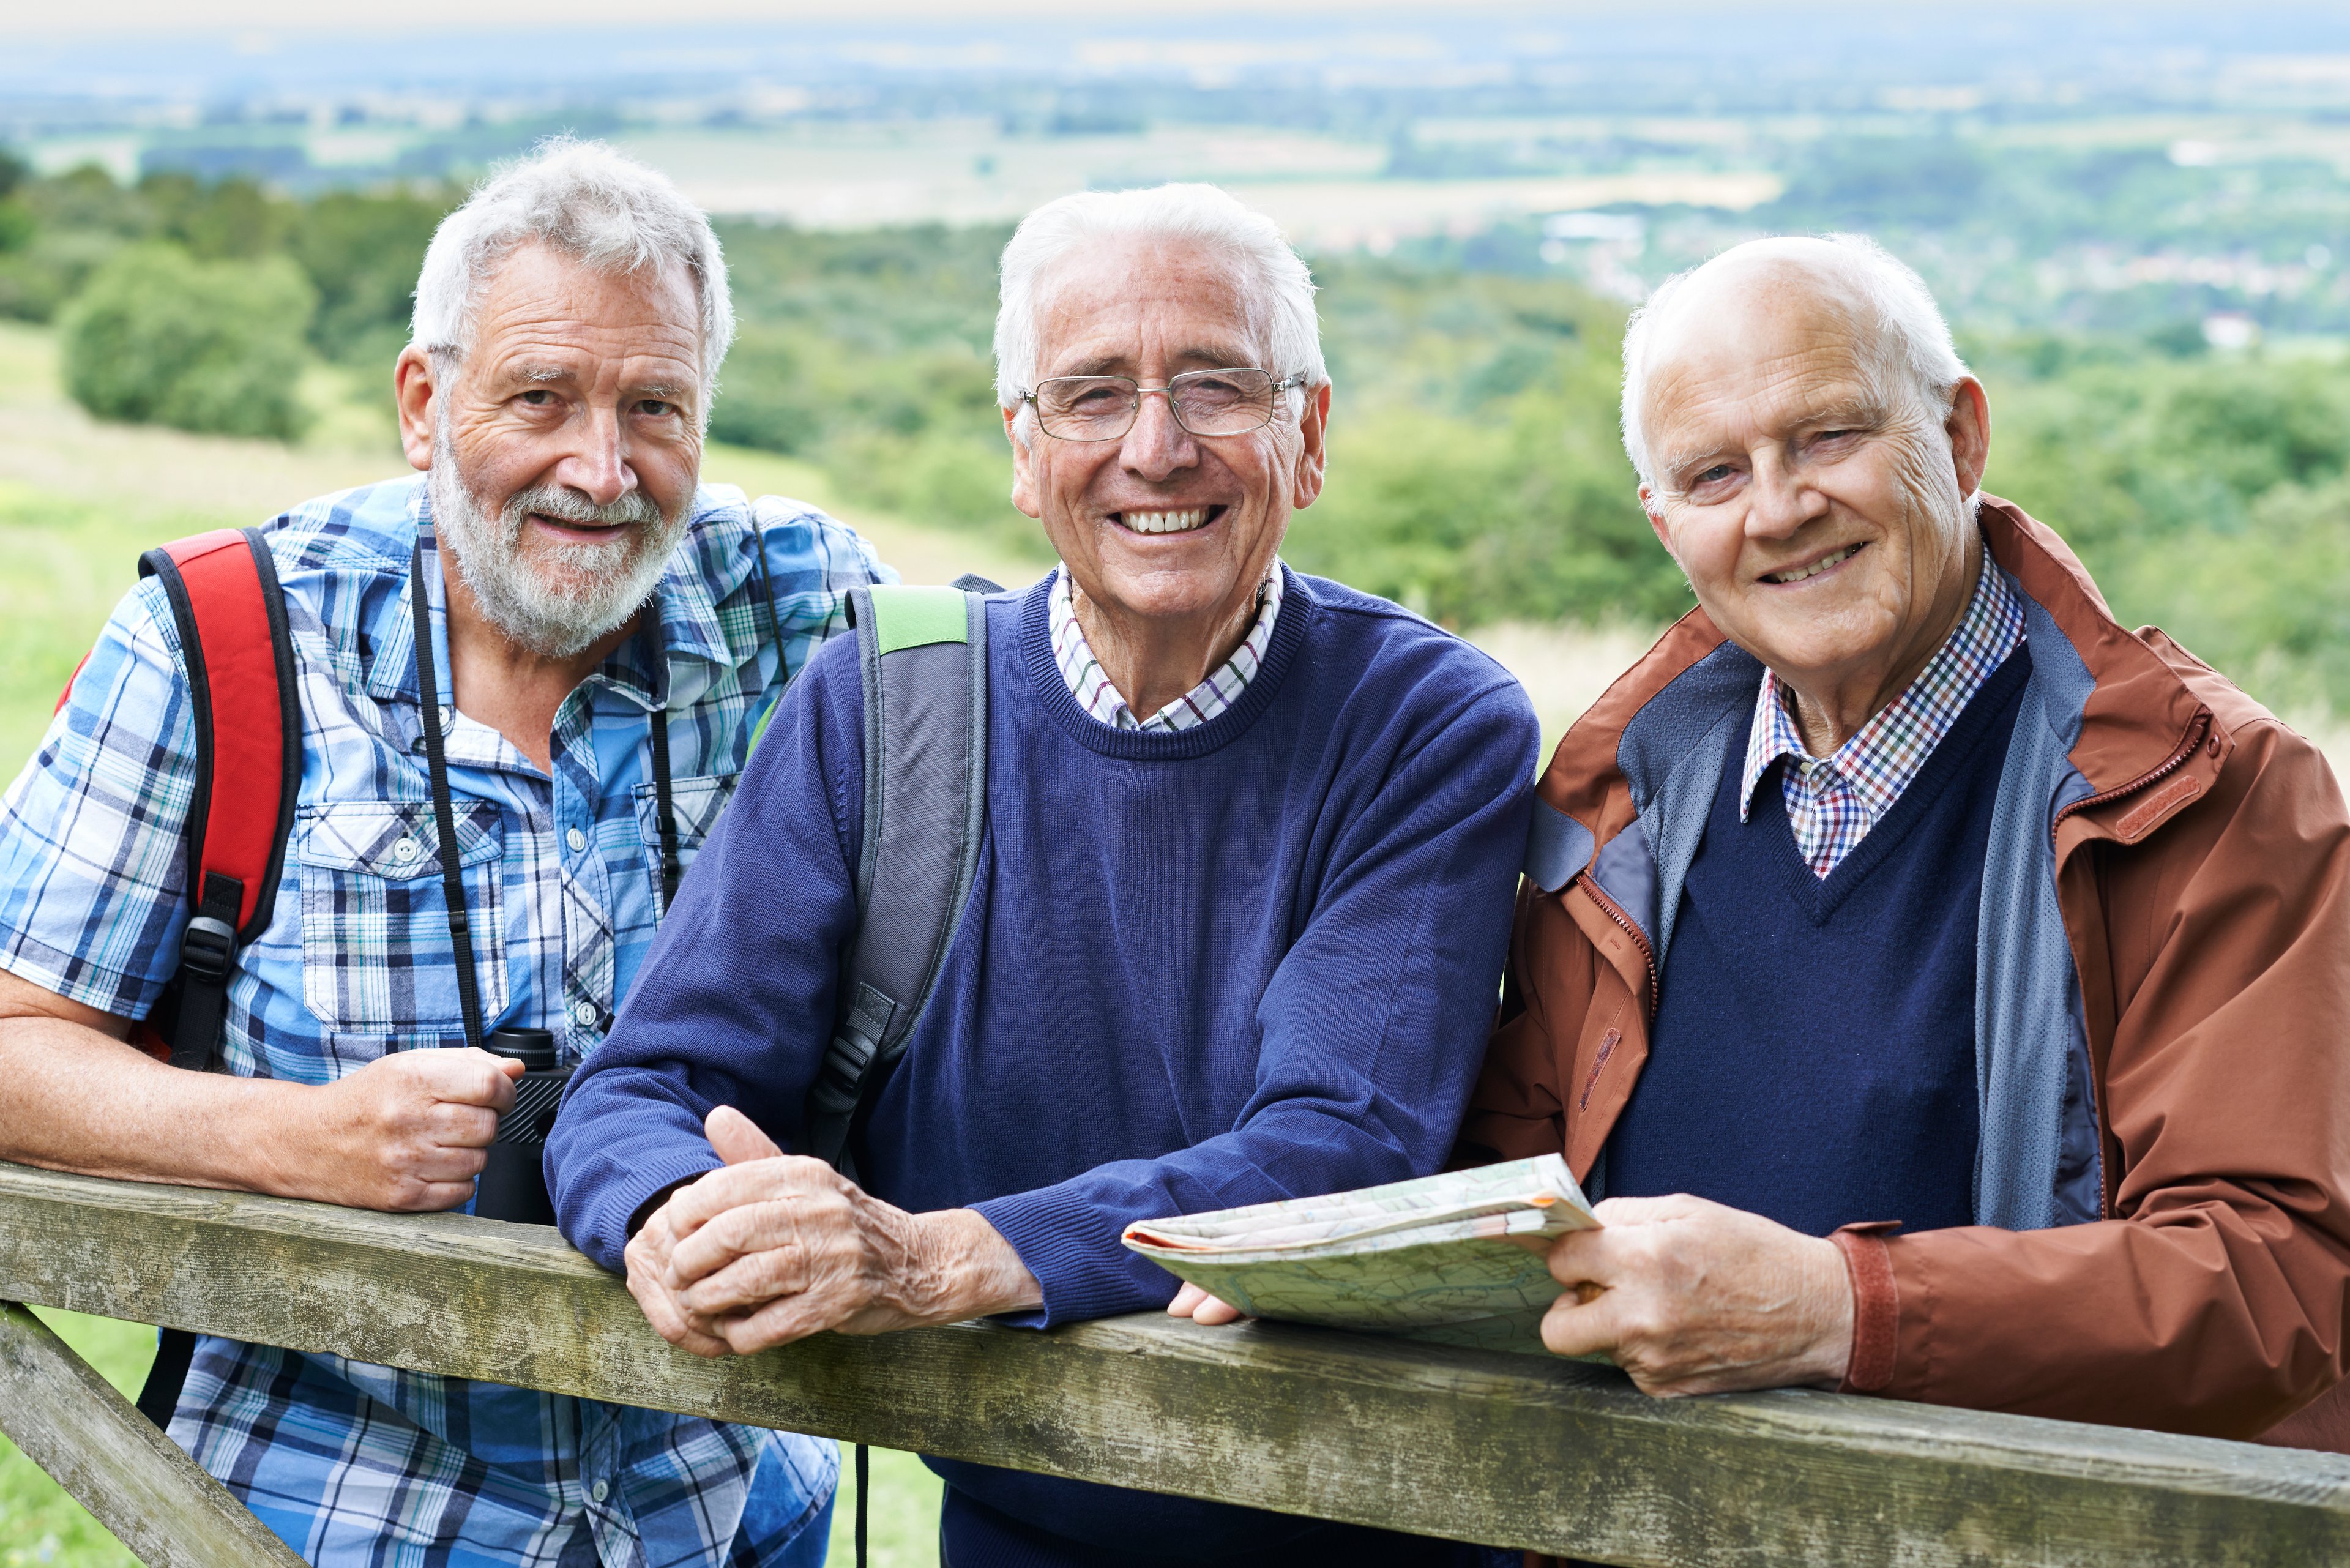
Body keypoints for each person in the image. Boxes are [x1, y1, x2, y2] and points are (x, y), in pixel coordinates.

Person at [548, 182, 1540, 1566]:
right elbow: (644, 1087)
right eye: (1091, 395)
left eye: (1218, 388)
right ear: (1023, 452)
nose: (1156, 447)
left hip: (1352, 1524)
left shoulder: (1426, 721)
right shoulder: (887, 705)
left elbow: (1338, 1149)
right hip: (1015, 1524)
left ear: (1308, 440)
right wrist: (676, 1217)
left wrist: (929, 1261)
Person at [0, 139, 882, 1563]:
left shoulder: (812, 606)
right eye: (540, 398)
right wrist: (297, 1140)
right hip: (317, 1518)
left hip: (724, 1514)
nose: (602, 470)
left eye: (655, 407)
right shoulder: (229, 638)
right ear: (424, 404)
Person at [1462, 233, 2350, 1447]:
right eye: (1716, 475)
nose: (1778, 509)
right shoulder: (1615, 801)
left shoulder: (2212, 799)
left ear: (1962, 435)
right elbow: (1512, 1177)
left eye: (1828, 436)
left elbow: (2278, 1286)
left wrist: (1841, 1312)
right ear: (1665, 527)